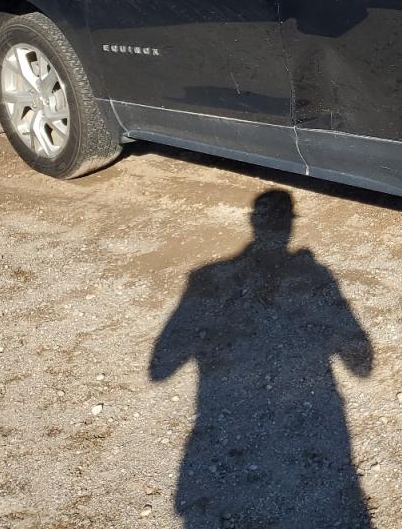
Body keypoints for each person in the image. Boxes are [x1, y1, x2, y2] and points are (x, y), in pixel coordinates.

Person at [150, 189, 375, 528]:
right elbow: (362, 365)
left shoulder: (205, 278)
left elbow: (160, 369)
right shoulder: (317, 276)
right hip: (312, 443)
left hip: (224, 451)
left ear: (254, 222)